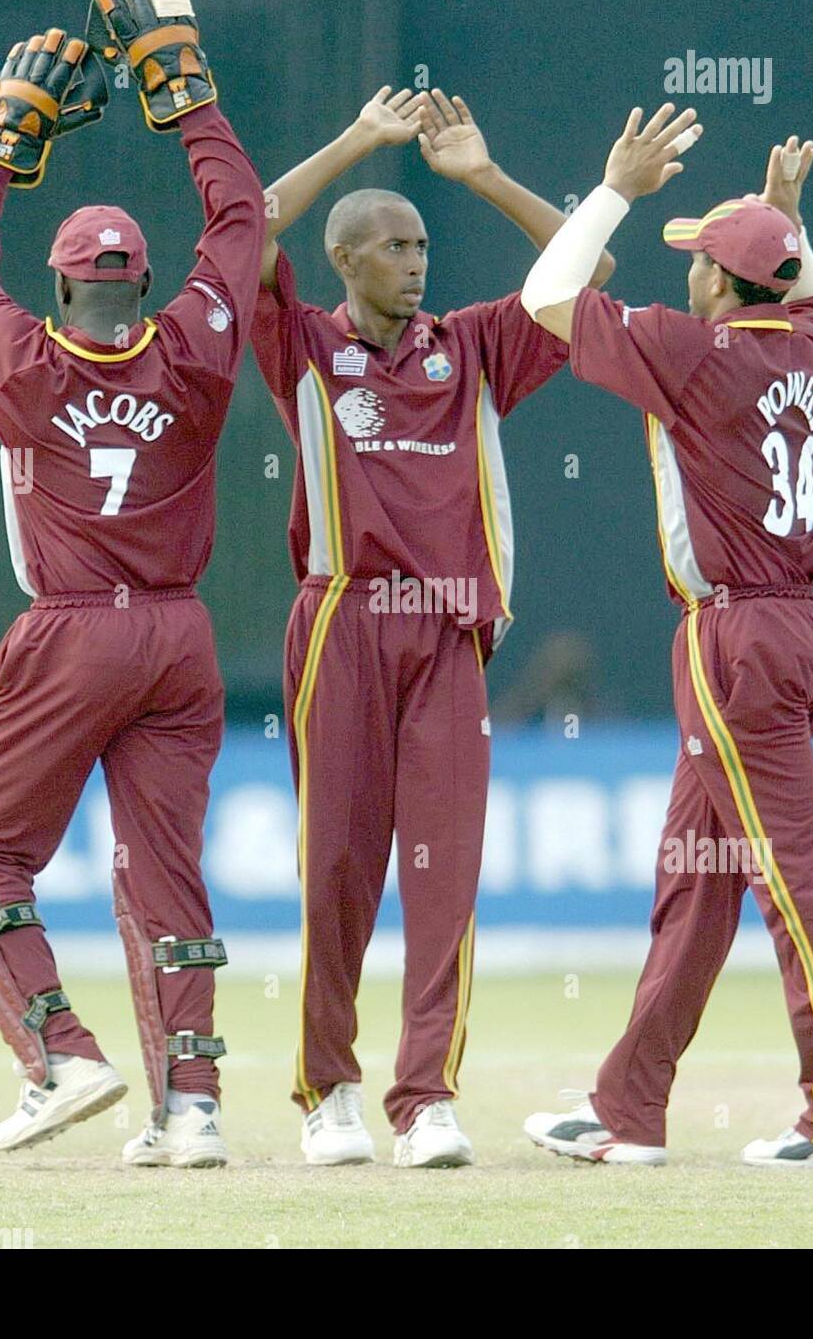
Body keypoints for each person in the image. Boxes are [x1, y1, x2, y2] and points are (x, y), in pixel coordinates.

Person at [0, 0, 265, 1168]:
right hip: (180, 636)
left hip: (72, 631)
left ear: (64, 287)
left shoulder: (21, 359)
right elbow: (240, 226)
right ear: (144, 281)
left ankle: (60, 1052)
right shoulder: (201, 349)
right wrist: (183, 85)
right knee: (164, 870)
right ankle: (195, 1106)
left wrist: (7, 139)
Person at [519, 106, 813, 1167]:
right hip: (794, 631)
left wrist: (614, 192)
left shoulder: (694, 352)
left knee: (788, 878)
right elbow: (810, 292)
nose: (683, 270)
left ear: (722, 289)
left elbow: (545, 297)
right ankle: (626, 1107)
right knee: (697, 875)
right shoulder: (812, 347)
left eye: (697, 260)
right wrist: (783, 220)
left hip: (732, 639)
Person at [249, 87, 614, 1167]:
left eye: (419, 244)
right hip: (340, 624)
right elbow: (249, 222)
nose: (415, 262)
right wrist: (360, 139)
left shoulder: (476, 347)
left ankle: (427, 1100)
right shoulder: (303, 346)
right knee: (336, 870)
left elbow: (585, 271)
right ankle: (326, 1092)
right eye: (393, 246)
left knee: (443, 871)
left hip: (448, 631)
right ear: (345, 261)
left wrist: (480, 177)